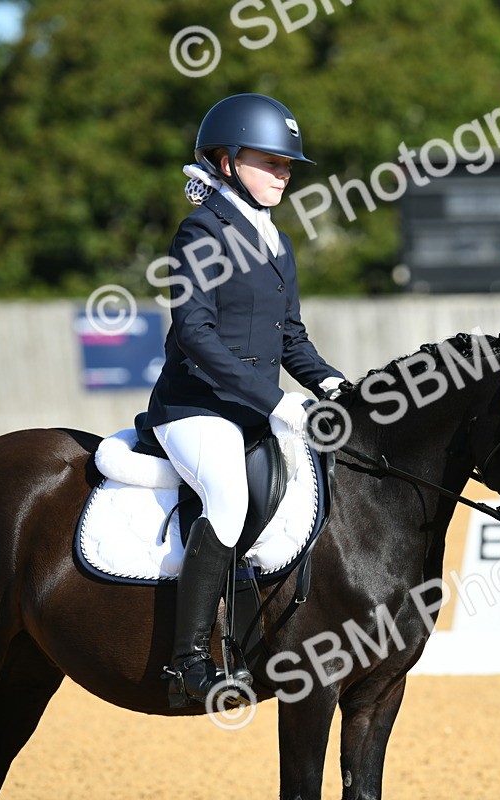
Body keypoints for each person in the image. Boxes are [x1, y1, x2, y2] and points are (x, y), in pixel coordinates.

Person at [143, 93, 345, 707]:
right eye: (272, 161)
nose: (285, 173)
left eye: (289, 165)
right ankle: (188, 661)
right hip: (194, 408)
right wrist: (274, 399)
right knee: (228, 498)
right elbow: (194, 335)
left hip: (257, 406)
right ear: (227, 161)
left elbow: (291, 337)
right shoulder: (200, 233)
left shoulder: (275, 239)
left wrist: (332, 384)